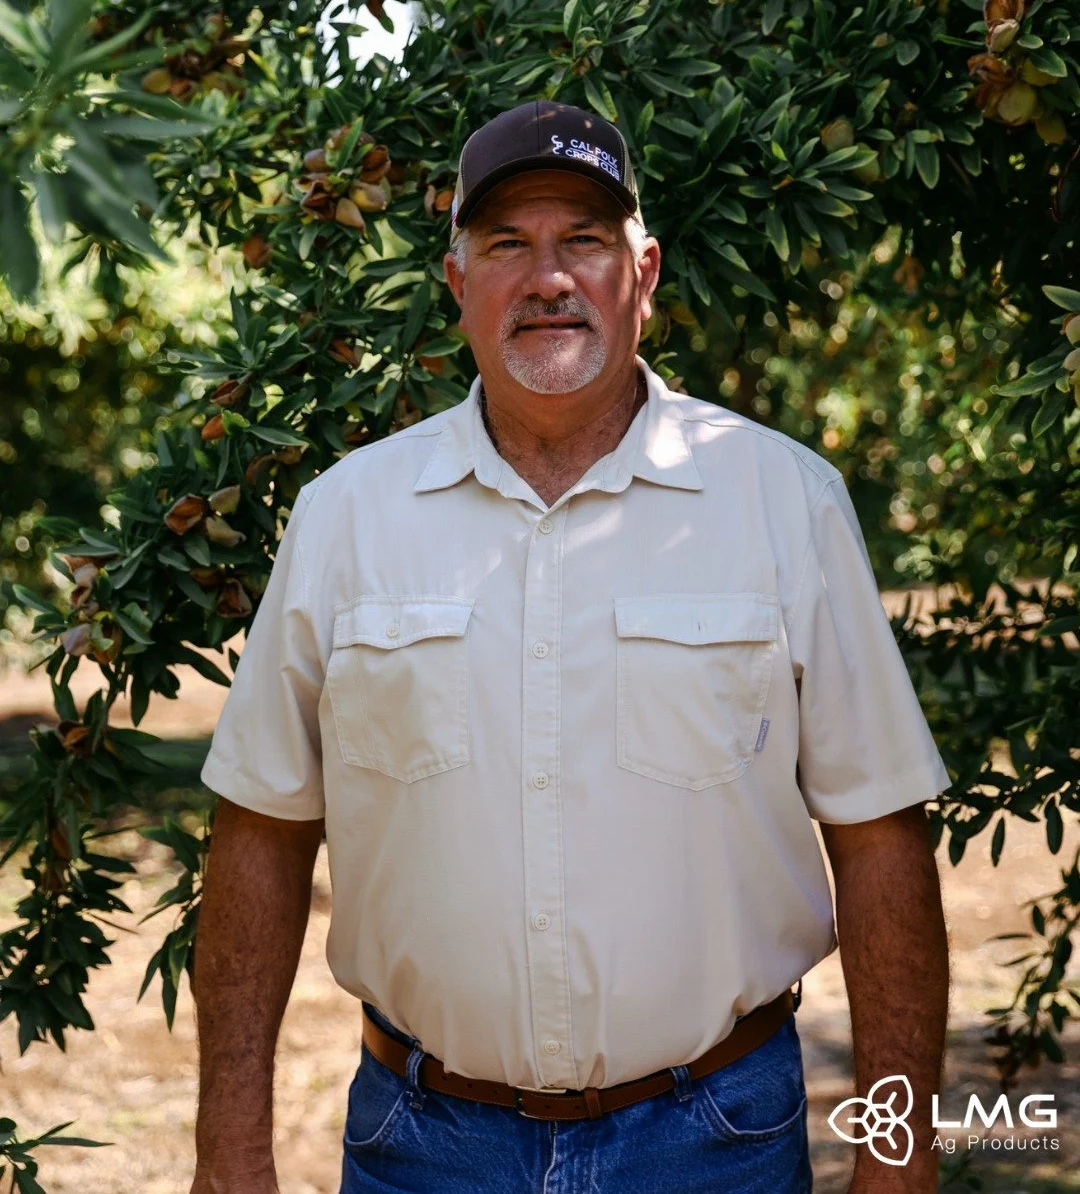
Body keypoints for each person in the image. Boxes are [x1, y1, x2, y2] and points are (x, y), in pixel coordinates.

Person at [191, 101, 952, 1194]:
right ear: (458, 284)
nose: (548, 277)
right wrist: (229, 1151)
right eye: (507, 244)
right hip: (421, 1148)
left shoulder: (783, 500)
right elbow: (260, 830)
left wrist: (897, 1156)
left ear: (642, 273)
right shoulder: (347, 517)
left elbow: (880, 835)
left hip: (715, 1142)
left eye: (583, 240)